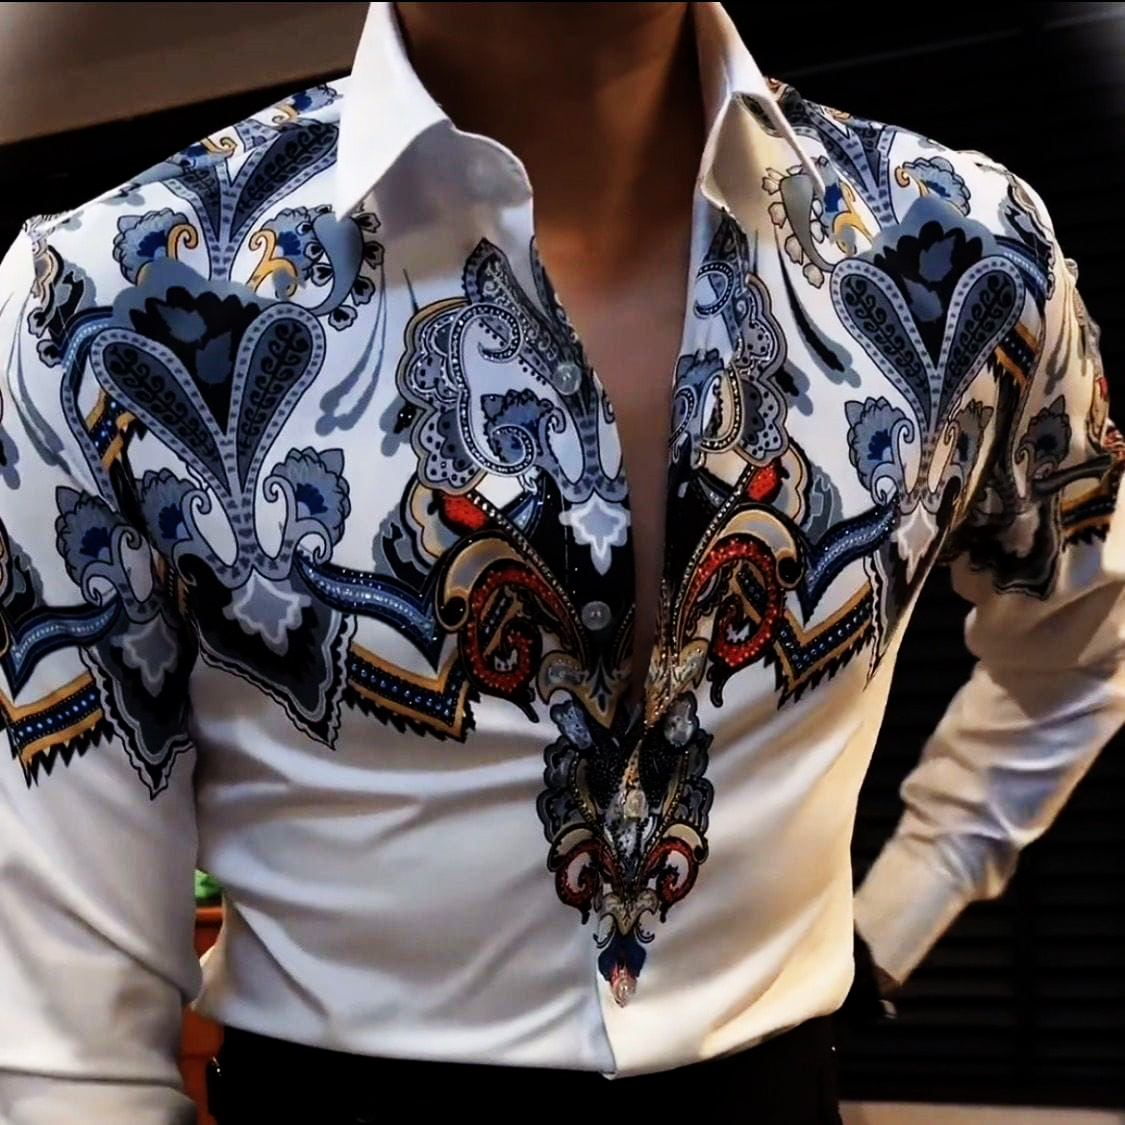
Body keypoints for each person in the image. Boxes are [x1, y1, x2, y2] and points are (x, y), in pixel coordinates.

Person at [0, 3, 1121, 1122]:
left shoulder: (960, 249)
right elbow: (68, 1051)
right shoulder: (95, 306)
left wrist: (900, 907)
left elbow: (1086, 644)